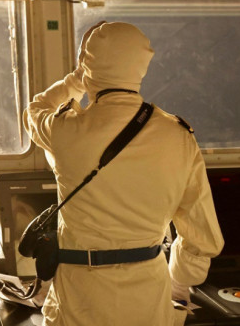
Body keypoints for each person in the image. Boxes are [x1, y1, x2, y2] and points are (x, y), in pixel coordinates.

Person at [23, 22, 224, 326]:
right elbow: (201, 235)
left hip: (79, 294)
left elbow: (35, 110)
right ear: (141, 68)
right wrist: (181, 280)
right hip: (148, 293)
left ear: (88, 66)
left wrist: (77, 80)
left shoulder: (64, 130)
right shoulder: (178, 136)